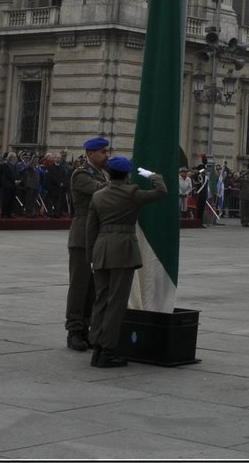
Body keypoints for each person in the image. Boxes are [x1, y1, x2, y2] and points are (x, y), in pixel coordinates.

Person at [85, 155, 170, 368]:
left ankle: (96, 346)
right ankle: (108, 350)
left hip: (101, 250)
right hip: (123, 251)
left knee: (101, 300)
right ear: (127, 175)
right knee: (116, 302)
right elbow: (162, 192)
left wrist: (91, 256)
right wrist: (154, 176)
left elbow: (90, 229)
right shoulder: (132, 193)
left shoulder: (98, 195)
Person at [64, 137, 112, 352]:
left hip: (99, 234)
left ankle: (87, 327)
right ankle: (74, 330)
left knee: (94, 286)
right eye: (102, 152)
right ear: (90, 153)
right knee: (79, 284)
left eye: (106, 151)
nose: (106, 155)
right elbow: (103, 192)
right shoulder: (81, 173)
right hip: (82, 234)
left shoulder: (103, 174)